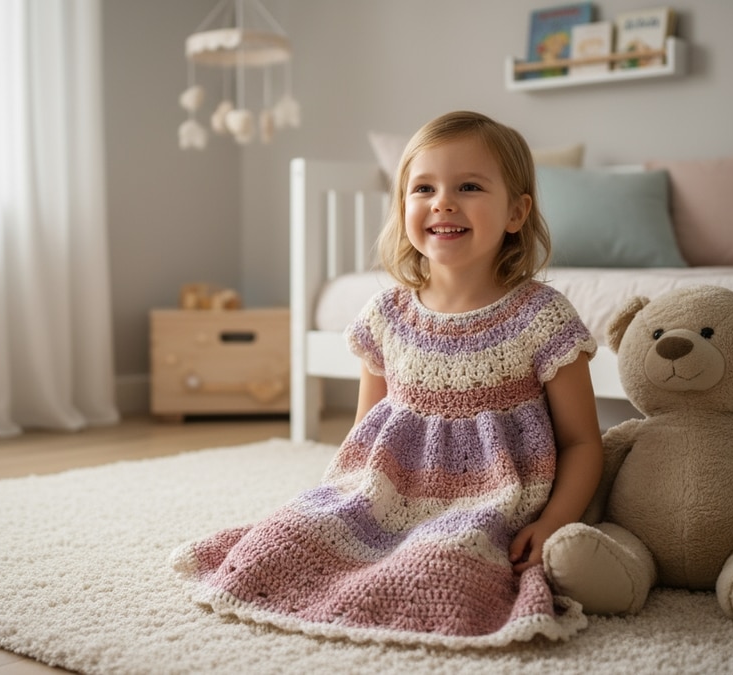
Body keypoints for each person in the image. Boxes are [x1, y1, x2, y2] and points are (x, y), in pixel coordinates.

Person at [171, 110, 603, 648]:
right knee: (282, 537)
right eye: (424, 188)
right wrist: (344, 500)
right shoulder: (386, 315)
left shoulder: (542, 316)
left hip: (482, 502)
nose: (443, 202)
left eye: (469, 186)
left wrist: (554, 522)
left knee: (445, 566)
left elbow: (583, 441)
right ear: (403, 209)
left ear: (517, 212)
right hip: (383, 487)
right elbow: (363, 432)